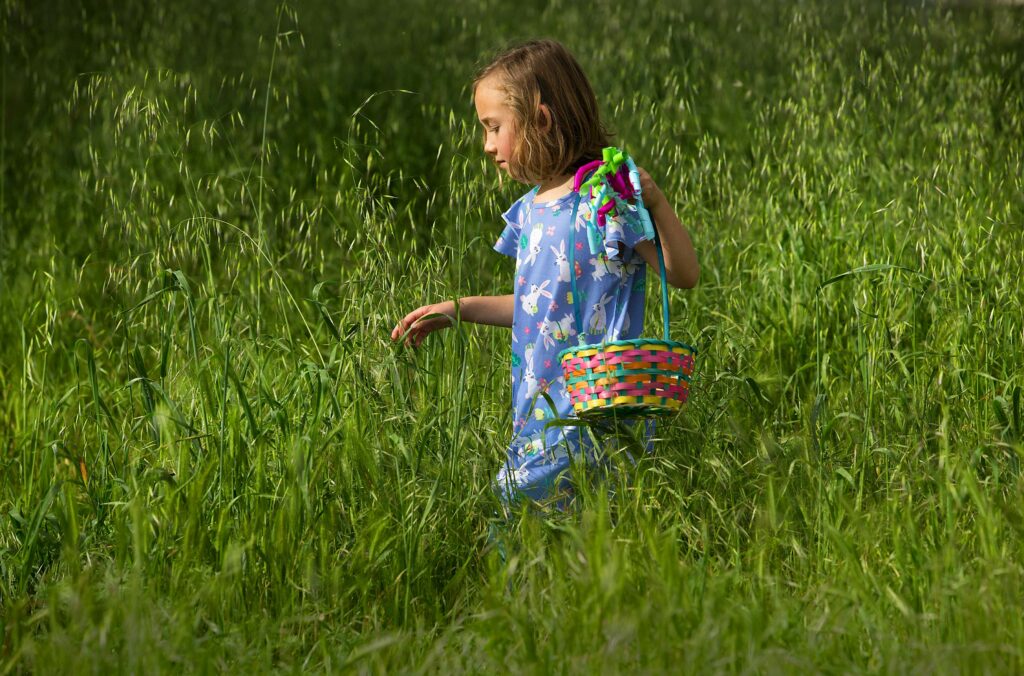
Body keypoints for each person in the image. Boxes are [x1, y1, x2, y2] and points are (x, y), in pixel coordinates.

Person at [390, 39, 699, 509]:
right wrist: (461, 309)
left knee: (514, 510)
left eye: (494, 128)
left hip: (597, 405)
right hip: (538, 407)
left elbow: (682, 274)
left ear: (540, 120)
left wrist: (654, 203)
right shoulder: (531, 208)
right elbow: (540, 306)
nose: (487, 145)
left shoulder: (602, 198)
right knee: (574, 528)